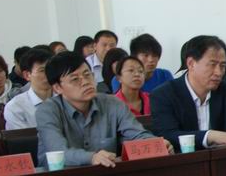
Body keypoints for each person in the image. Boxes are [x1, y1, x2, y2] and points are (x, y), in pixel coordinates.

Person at [35, 51, 166, 168]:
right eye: (75, 79)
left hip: (106, 175)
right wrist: (91, 157)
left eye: (87, 75)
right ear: (57, 88)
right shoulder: (47, 111)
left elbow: (136, 134)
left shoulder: (112, 103)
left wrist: (157, 144)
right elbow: (58, 152)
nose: (85, 82)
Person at [151, 35, 226, 150]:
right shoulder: (164, 94)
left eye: (222, 66)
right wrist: (210, 136)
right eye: (212, 64)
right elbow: (167, 134)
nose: (219, 72)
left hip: (223, 157)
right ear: (191, 63)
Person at [3, 47, 54, 129]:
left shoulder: (66, 99)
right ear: (27, 75)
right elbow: (25, 137)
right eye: (42, 70)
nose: (49, 74)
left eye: (51, 69)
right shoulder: (15, 107)